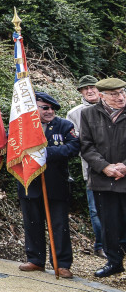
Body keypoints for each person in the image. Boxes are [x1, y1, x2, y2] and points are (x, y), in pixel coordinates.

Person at [18, 90, 79, 278]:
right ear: (34, 108)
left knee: (59, 225)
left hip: (55, 184)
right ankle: (35, 260)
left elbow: (74, 147)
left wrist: (47, 154)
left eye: (52, 108)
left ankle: (61, 264)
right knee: (32, 223)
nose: (49, 111)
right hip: (30, 182)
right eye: (44, 107)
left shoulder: (64, 125)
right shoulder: (22, 126)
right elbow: (12, 145)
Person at [79, 77, 126, 278]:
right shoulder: (88, 114)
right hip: (103, 180)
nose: (121, 97)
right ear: (102, 96)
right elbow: (86, 146)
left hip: (124, 177)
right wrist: (105, 167)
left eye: (123, 92)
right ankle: (114, 262)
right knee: (108, 224)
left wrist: (124, 165)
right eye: (115, 94)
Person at [67, 75, 105, 259]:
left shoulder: (114, 107)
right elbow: (76, 143)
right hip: (91, 169)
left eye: (93, 87)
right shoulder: (75, 113)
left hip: (120, 168)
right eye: (85, 88)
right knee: (96, 209)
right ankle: (100, 244)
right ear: (81, 92)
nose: (89, 91)